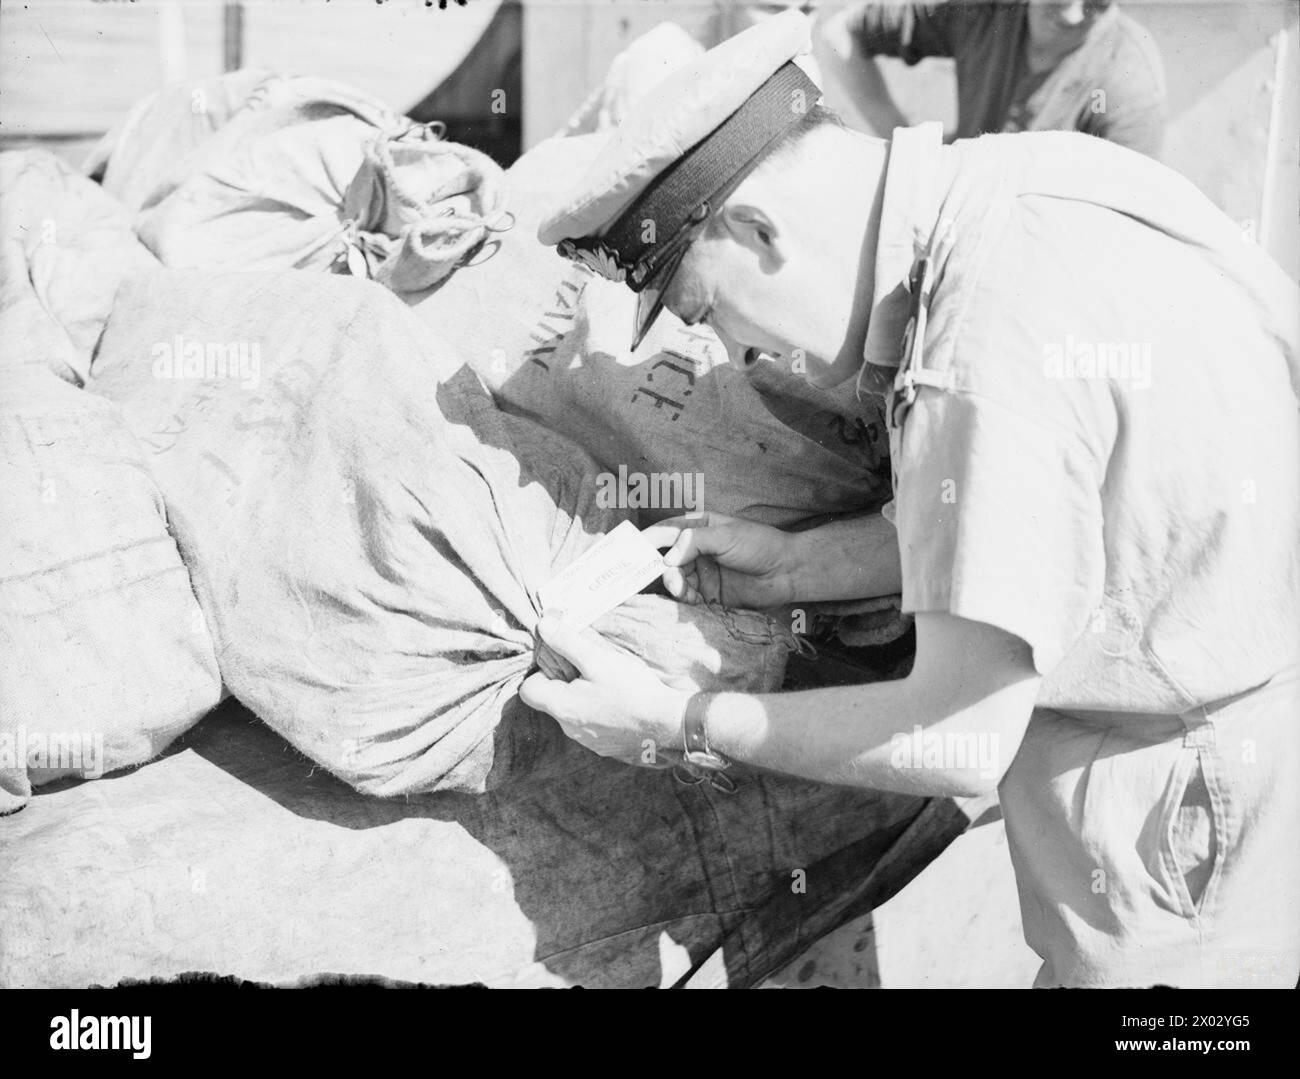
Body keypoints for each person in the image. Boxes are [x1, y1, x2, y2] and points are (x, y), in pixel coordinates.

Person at [520, 11, 1300, 988]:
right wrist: (794, 565)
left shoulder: (977, 349)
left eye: (704, 308)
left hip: (1183, 856)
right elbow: (1053, 513)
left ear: (758, 230)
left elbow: (962, 734)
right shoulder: (1024, 185)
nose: (730, 351)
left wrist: (679, 717)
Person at [815, 0, 1166, 157]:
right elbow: (838, 36)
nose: (1073, 12)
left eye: (1096, 1)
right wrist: (907, 145)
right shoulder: (984, 12)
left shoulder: (1130, 82)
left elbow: (1123, 234)